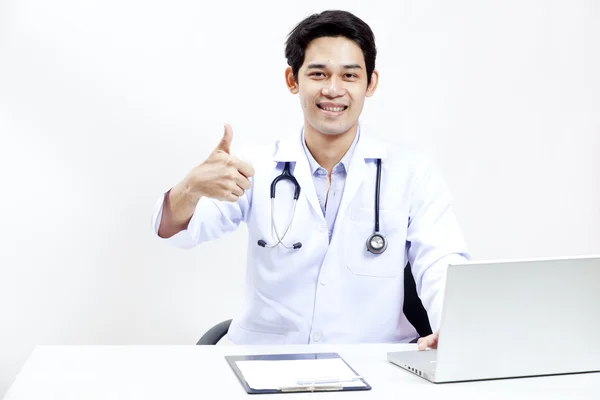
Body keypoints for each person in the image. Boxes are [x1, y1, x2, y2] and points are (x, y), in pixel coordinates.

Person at [151, 10, 470, 349]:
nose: (333, 90)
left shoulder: (412, 173)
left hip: (375, 363)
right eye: (318, 74)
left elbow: (441, 264)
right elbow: (177, 233)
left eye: (349, 76)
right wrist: (190, 188)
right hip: (263, 361)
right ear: (293, 80)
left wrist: (457, 330)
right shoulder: (254, 166)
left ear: (370, 83)